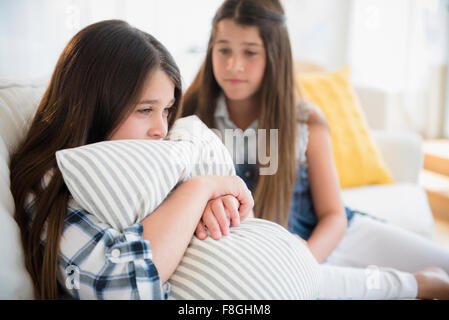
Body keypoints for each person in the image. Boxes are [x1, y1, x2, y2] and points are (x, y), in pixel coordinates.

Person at [182, 0, 449, 299]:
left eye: (250, 52)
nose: (234, 65)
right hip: (273, 260)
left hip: (328, 240)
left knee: (444, 268)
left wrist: (304, 262)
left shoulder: (304, 121)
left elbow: (334, 216)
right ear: (210, 50)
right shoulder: (190, 119)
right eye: (224, 49)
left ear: (275, 56)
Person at [9, 19, 254, 300]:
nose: (161, 129)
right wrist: (199, 189)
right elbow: (119, 286)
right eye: (145, 109)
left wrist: (220, 208)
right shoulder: (49, 185)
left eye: (166, 111)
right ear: (94, 107)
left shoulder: (165, 160)